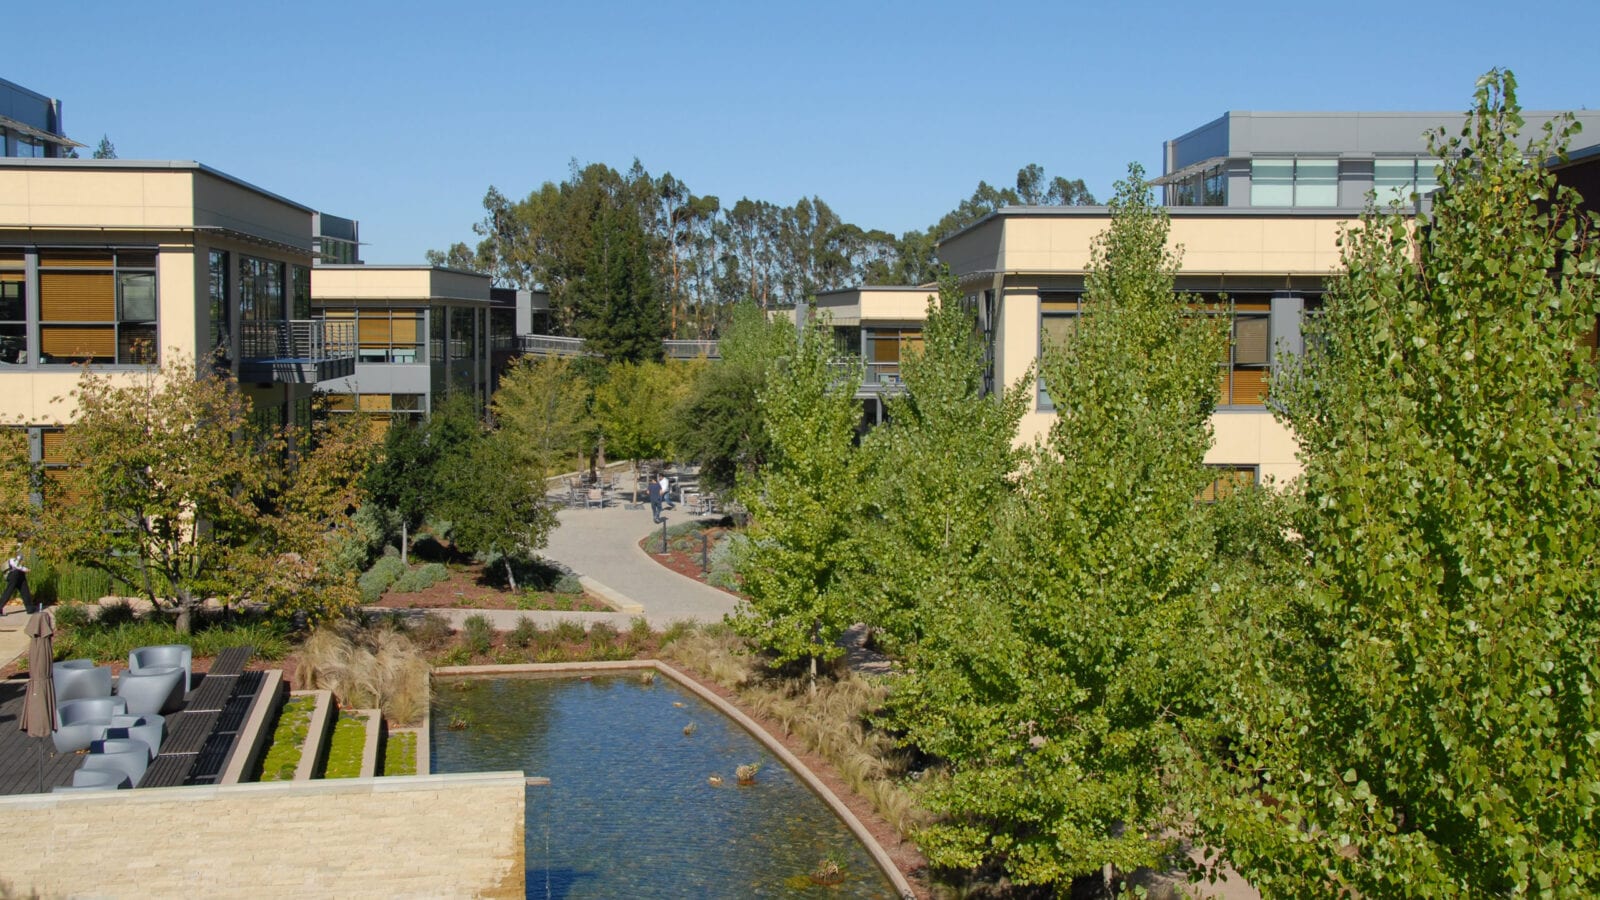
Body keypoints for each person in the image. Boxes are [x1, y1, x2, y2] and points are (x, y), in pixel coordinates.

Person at [1, 546, 36, 616]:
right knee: (9, 591)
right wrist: (25, 569)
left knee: (25, 590)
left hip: (19, 574)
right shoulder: (16, 553)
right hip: (14, 574)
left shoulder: (20, 551)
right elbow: (16, 565)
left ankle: (30, 608)